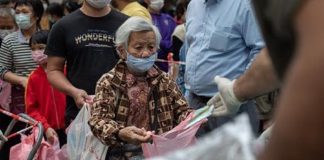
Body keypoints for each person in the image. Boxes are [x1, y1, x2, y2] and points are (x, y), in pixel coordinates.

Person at [88, 17, 192, 159]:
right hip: (123, 154)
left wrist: (193, 117)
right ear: (122, 51)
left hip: (161, 154)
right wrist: (120, 132)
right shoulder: (109, 82)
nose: (146, 53)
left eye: (151, 47)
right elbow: (98, 120)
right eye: (138, 47)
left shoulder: (164, 80)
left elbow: (182, 110)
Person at [184, 0, 264, 135]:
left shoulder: (244, 5)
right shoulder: (193, 5)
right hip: (195, 104)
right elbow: (191, 47)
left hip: (232, 106)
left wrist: (238, 90)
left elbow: (261, 51)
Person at [45, 0, 128, 125]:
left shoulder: (127, 24)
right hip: (80, 114)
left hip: (121, 113)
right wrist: (73, 91)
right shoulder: (63, 26)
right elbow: (53, 70)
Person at [0, 0, 44, 158]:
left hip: (44, 97)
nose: (20, 16)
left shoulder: (48, 36)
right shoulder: (9, 41)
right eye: (17, 12)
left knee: (42, 140)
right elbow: (2, 69)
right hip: (18, 101)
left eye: (25, 12)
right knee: (16, 141)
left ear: (37, 15)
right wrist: (21, 80)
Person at [25, 30, 66, 146]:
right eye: (33, 49)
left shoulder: (66, 71)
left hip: (70, 128)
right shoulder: (33, 78)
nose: (36, 52)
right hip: (47, 132)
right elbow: (31, 110)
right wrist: (45, 127)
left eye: (41, 48)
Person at [144, 0, 176, 72]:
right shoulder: (143, 17)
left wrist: (162, 43)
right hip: (148, 66)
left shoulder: (169, 19)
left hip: (168, 67)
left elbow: (175, 43)